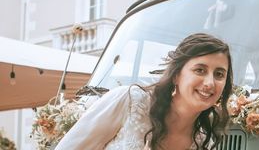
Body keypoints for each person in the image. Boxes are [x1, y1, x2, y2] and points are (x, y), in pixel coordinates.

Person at [56, 33, 233, 150]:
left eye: (219, 74)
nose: (210, 83)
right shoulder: (130, 102)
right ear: (176, 76)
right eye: (200, 70)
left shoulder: (203, 141)